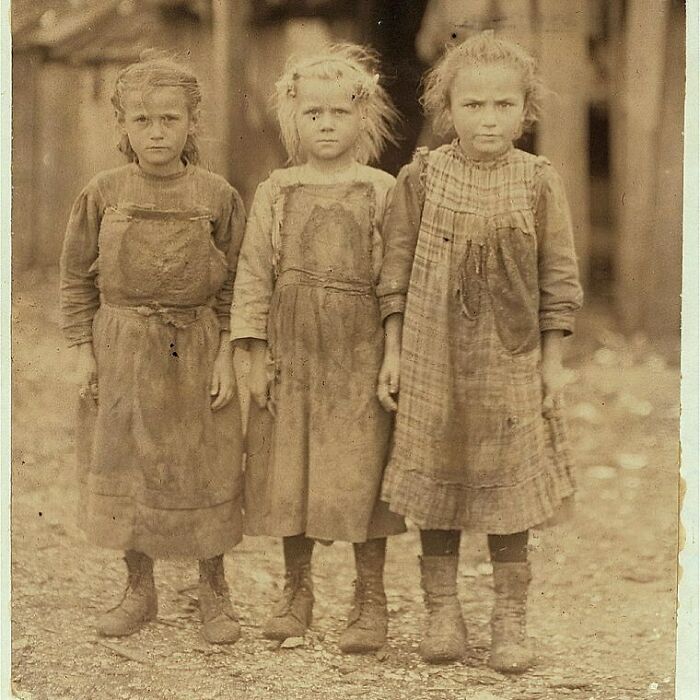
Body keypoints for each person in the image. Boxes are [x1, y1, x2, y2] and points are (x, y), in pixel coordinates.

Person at [376, 30, 583, 671]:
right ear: (448, 109)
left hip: (510, 360)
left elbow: (559, 279)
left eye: (502, 105)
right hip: (431, 355)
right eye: (473, 105)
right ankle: (442, 612)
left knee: (508, 487)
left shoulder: (538, 181)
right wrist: (392, 352)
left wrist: (551, 364)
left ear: (525, 111)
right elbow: (396, 271)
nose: (488, 119)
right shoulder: (423, 177)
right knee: (437, 479)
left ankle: (509, 619)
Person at [60, 52, 246, 645]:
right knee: (127, 463)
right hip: (122, 346)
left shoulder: (217, 195)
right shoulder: (102, 192)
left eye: (170, 118)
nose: (157, 131)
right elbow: (75, 279)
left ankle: (213, 590)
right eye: (142, 120)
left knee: (203, 462)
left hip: (195, 346)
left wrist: (226, 357)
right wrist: (85, 351)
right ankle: (138, 590)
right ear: (123, 127)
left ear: (193, 123)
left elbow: (239, 282)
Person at [230, 44, 406, 654]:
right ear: (293, 119)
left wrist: (393, 350)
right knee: (291, 469)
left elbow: (395, 281)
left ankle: (370, 597)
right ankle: (296, 591)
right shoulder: (276, 191)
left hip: (357, 351)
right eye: (313, 114)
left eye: (338, 112)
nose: (326, 124)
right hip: (293, 349)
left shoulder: (381, 190)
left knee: (362, 469)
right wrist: (251, 350)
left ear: (363, 118)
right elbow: (253, 274)